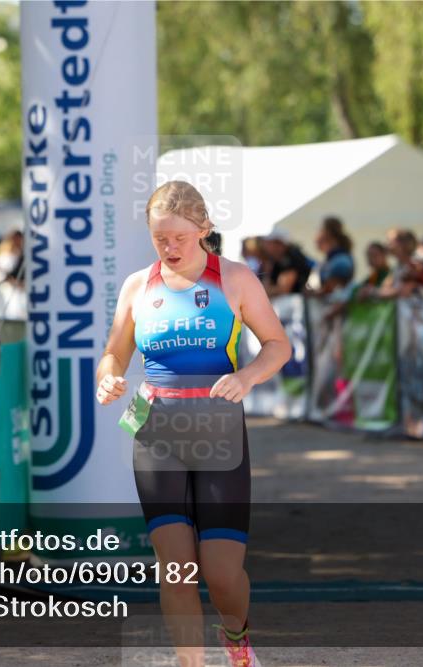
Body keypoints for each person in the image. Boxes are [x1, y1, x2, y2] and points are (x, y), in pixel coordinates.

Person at [96, 181, 290, 667]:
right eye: (159, 238)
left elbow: (278, 345)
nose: (170, 248)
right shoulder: (138, 286)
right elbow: (114, 353)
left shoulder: (235, 279)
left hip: (219, 435)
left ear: (204, 228)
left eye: (179, 237)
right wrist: (109, 378)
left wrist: (246, 377)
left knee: (222, 574)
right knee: (176, 570)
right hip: (156, 434)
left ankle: (236, 637)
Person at [311, 216, 354, 297]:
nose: (315, 236)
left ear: (327, 235)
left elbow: (332, 290)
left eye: (319, 230)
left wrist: (310, 293)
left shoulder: (341, 261)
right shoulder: (332, 258)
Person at [261, 230, 311, 295]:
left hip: (298, 298)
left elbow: (283, 289)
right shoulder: (274, 259)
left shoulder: (292, 256)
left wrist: (262, 291)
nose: (264, 245)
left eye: (268, 242)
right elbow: (268, 284)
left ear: (279, 244)